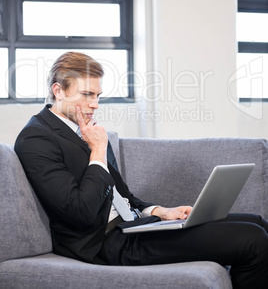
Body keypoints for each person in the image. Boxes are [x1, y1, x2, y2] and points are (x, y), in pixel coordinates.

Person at [15, 51, 268, 289]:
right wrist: (98, 151)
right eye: (86, 94)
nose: (95, 105)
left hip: (135, 227)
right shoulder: (36, 138)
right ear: (58, 90)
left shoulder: (87, 130)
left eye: (98, 95)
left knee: (257, 222)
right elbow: (79, 211)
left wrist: (161, 212)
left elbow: (122, 195)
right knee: (252, 239)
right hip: (107, 243)